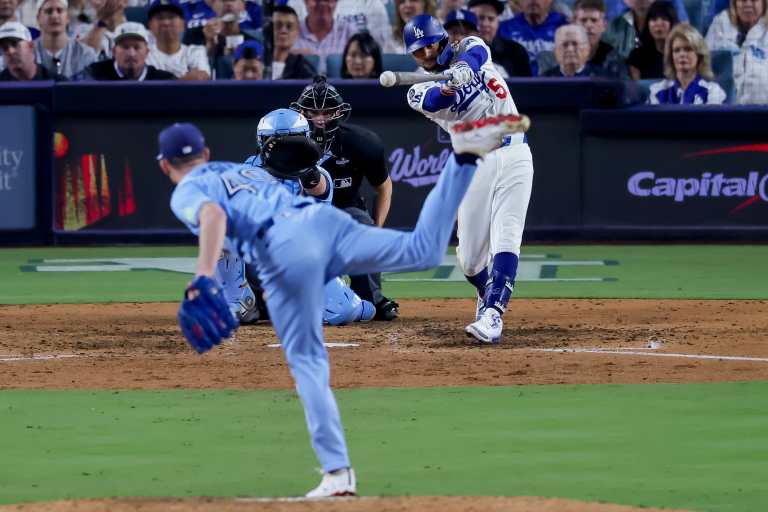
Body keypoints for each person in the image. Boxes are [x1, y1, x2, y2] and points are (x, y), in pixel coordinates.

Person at [160, 114, 529, 497]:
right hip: (321, 223)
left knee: (307, 362)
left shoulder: (187, 189)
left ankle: (337, 475)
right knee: (421, 250)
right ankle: (463, 158)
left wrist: (203, 275)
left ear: (164, 164)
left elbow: (213, 214)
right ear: (205, 152)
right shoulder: (232, 170)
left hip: (286, 250)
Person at [403, 14, 534, 343]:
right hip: (477, 162)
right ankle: (485, 290)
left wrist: (464, 69)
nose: (427, 54)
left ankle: (493, 314)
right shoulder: (418, 91)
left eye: (430, 44)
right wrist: (449, 85)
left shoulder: (472, 46)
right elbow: (436, 100)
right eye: (418, 51)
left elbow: (475, 57)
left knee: (507, 235)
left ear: (443, 39)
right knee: (470, 261)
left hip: (515, 150)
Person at [208, 108, 378, 326]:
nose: (282, 148)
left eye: (291, 141)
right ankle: (239, 301)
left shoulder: (316, 173)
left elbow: (318, 187)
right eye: (276, 142)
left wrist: (303, 169)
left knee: (343, 312)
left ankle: (354, 302)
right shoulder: (247, 171)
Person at [290, 76, 401, 321]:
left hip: (345, 211)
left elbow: (384, 187)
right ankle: (260, 298)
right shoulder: (283, 142)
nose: (320, 119)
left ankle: (372, 297)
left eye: (327, 112)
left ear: (339, 112)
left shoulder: (363, 143)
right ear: (301, 112)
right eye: (313, 111)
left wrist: (377, 230)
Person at [705, 0, 768, 104]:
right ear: (735, 3)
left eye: (753, 0)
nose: (748, 4)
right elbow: (705, 65)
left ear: (764, 3)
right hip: (722, 109)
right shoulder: (720, 23)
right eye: (742, 0)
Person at [648, 22, 726, 104]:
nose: (682, 54)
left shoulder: (713, 91)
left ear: (699, 55)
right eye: (677, 50)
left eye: (688, 49)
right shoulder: (657, 91)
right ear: (671, 57)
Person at [77, 21, 177, 79]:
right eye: (125, 47)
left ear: (147, 52)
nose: (131, 53)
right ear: (114, 51)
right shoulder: (94, 75)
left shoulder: (163, 80)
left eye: (137, 47)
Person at [498, 0, 568, 74]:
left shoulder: (565, 26)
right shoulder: (503, 28)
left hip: (554, 82)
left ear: (550, 1)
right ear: (519, 1)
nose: (533, 1)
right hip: (515, 82)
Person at [146, 0, 211, 80]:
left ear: (183, 24)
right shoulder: (144, 54)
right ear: (150, 25)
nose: (166, 22)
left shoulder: (195, 51)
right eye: (160, 18)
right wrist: (184, 80)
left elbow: (202, 76)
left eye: (171, 17)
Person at [291, 0, 359, 74]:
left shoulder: (349, 32)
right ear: (305, 2)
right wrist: (289, 58)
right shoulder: (289, 31)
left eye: (328, 0)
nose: (322, 4)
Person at [34, 0, 97, 78]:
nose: (54, 16)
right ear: (38, 18)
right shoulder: (29, 53)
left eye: (59, 11)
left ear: (67, 17)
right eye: (49, 11)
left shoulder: (85, 53)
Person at [468, 0, 532, 77]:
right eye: (480, 18)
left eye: (491, 19)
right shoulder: (456, 51)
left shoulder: (516, 52)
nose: (485, 24)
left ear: (497, 23)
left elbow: (526, 87)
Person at [571, 0, 627, 77]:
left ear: (604, 25)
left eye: (594, 20)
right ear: (573, 24)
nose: (589, 25)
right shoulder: (561, 54)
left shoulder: (613, 58)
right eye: (583, 20)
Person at [627, 0, 677, 79]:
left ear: (672, 23)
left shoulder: (680, 54)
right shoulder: (637, 56)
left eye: (664, 19)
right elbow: (637, 89)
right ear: (647, 24)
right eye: (654, 19)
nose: (659, 24)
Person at [270, 4, 316, 79]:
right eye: (278, 25)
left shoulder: (305, 69)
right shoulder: (255, 63)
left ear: (297, 33)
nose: (283, 31)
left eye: (289, 26)